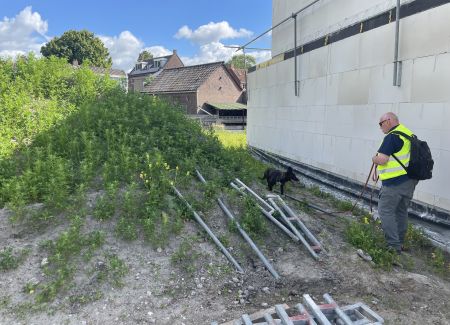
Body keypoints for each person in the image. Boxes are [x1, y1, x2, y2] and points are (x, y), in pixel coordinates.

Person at [372, 112, 418, 254]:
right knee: (401, 211)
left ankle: (393, 246)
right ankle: (400, 242)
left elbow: (383, 159)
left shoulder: (392, 136)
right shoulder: (409, 134)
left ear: (389, 121)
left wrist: (374, 158)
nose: (380, 127)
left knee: (385, 211)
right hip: (410, 181)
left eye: (381, 124)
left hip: (394, 183)